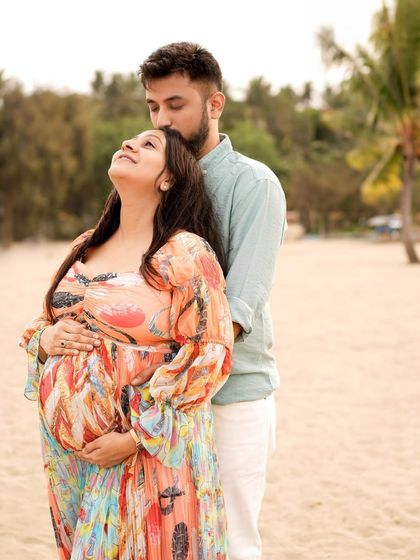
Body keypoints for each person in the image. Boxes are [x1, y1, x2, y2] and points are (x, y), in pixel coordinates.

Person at [20, 127, 234, 559]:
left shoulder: (185, 253)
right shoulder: (86, 244)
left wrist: (137, 436)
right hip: (70, 456)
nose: (128, 145)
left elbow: (209, 355)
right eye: (129, 141)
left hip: (143, 451)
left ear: (168, 179)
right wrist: (47, 338)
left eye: (148, 145)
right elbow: (41, 326)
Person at [138, 42, 287, 560]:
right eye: (154, 107)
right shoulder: (155, 182)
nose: (163, 119)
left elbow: (239, 308)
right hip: (156, 396)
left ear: (215, 104)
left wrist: (174, 384)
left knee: (231, 542)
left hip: (232, 395)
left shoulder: (254, 184)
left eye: (176, 104)